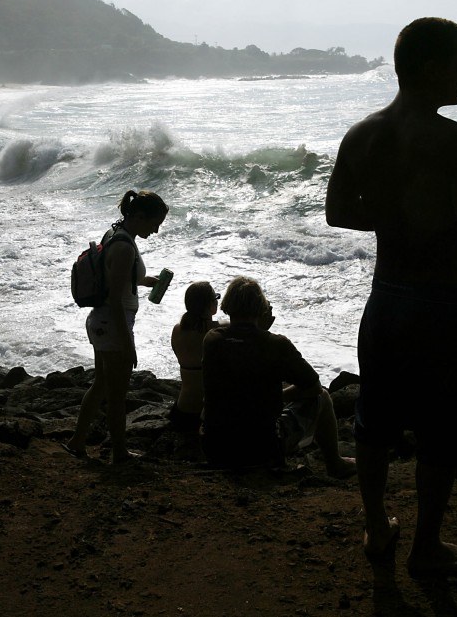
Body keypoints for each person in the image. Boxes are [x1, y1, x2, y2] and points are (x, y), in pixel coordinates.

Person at [325, 17, 457, 578]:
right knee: (439, 428)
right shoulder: (456, 141)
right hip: (442, 302)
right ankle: (426, 547)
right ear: (431, 67)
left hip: (386, 297)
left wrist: (395, 217)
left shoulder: (361, 134)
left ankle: (377, 529)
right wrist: (436, 219)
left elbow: (338, 212)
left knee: (375, 420)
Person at [201, 276, 356, 478]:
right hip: (261, 448)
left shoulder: (212, 339)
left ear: (228, 305)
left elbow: (242, 355)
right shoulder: (275, 345)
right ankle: (335, 463)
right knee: (323, 397)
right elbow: (313, 386)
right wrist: (280, 396)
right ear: (261, 309)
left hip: (216, 446)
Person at [65, 190, 169, 464]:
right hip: (113, 324)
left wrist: (145, 281)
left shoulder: (114, 236)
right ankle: (120, 453)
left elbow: (115, 280)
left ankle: (77, 441)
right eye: (154, 223)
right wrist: (128, 342)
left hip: (101, 322)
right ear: (138, 216)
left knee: (100, 384)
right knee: (117, 394)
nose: (156, 230)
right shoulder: (124, 247)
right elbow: (114, 300)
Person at [169, 281, 221, 434]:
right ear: (210, 304)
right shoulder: (218, 331)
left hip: (182, 410)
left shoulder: (177, 329)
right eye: (216, 298)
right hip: (207, 413)